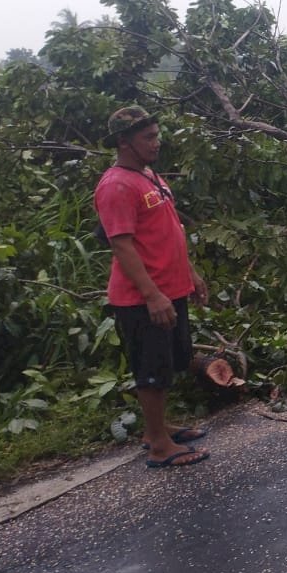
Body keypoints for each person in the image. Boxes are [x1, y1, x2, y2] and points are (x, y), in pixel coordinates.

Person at [95, 106, 211, 468]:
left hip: (170, 287)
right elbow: (122, 245)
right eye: (148, 137)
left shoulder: (148, 175)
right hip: (143, 297)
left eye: (157, 135)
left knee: (168, 362)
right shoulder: (116, 185)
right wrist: (152, 295)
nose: (156, 142)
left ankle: (158, 428)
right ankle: (160, 446)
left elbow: (170, 229)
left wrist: (191, 273)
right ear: (123, 142)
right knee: (151, 369)